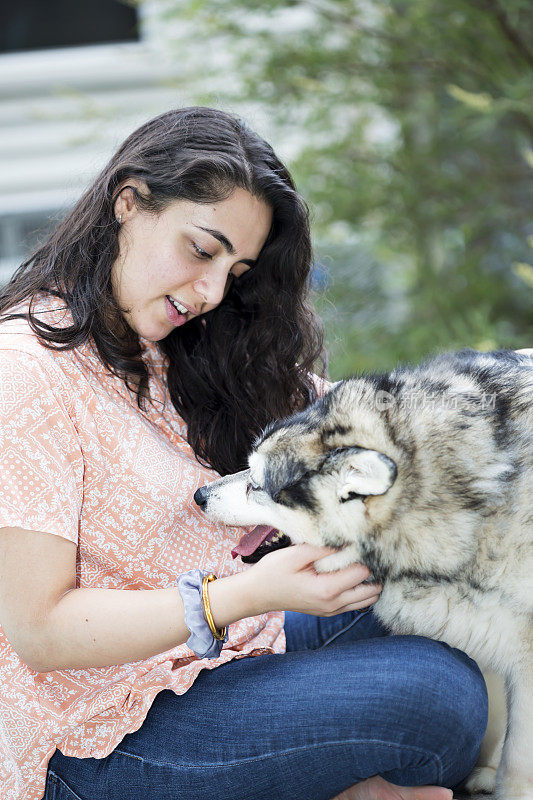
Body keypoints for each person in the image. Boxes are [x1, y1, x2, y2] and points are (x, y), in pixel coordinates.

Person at [0, 107, 487, 800]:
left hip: (225, 654)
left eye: (237, 270)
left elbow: (359, 416)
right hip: (93, 736)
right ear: (129, 203)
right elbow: (40, 631)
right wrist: (250, 592)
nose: (212, 292)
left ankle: (333, 782)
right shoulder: (25, 371)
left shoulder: (173, 349)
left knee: (432, 581)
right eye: (202, 250)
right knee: (437, 696)